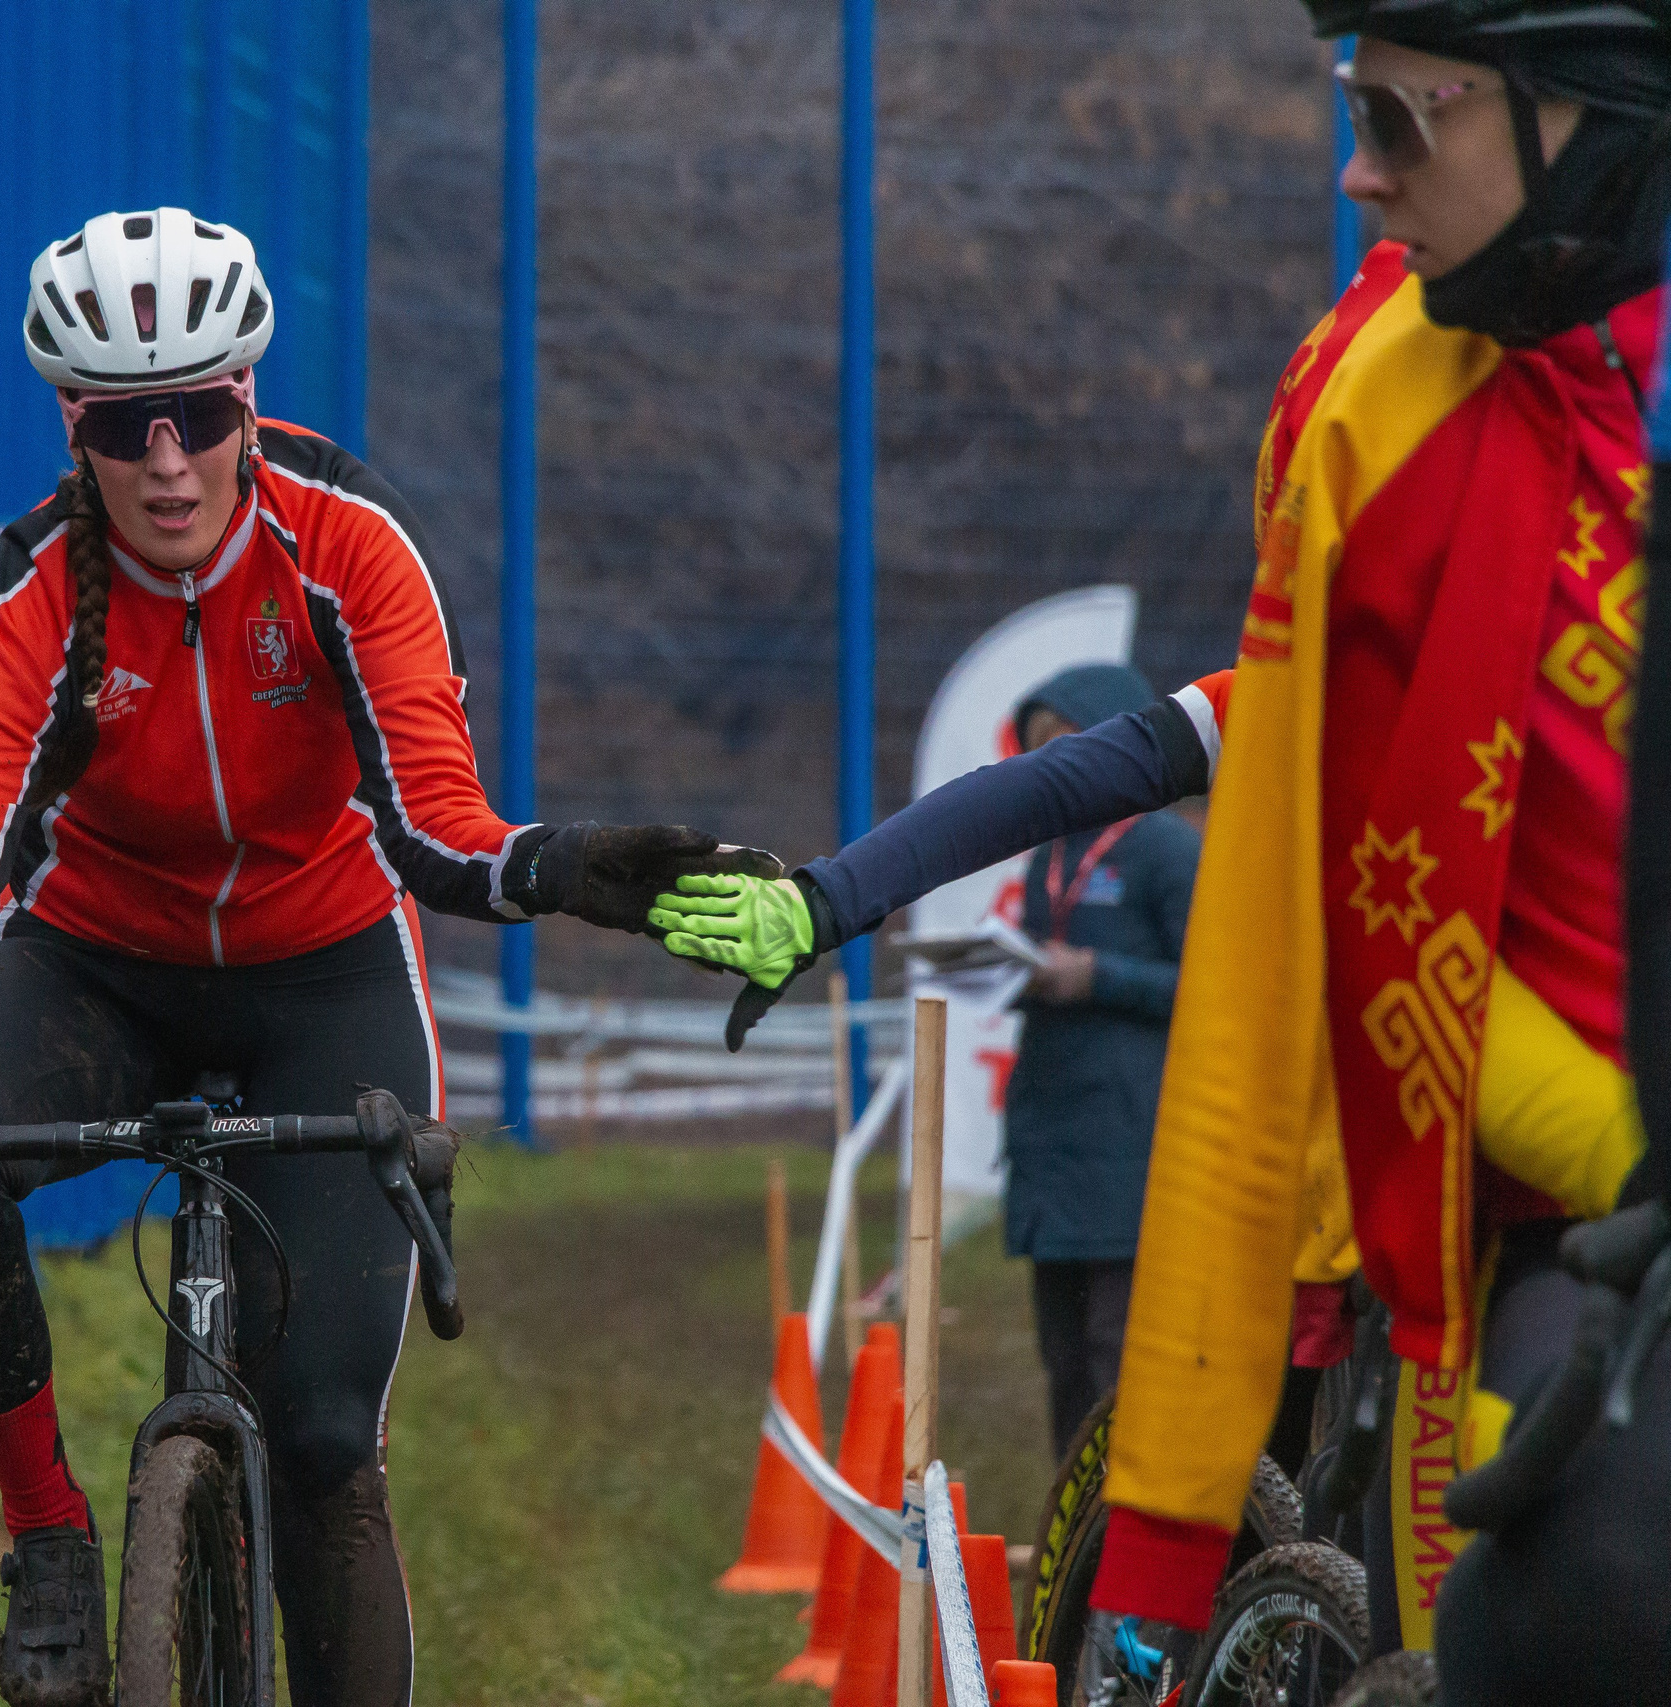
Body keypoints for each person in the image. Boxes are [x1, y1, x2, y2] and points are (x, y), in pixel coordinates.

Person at [653, 2, 1665, 1690]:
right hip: (1414, 1176)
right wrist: (831, 895)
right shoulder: (1366, 518)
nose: (1363, 177)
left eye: (1402, 126)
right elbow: (1084, 779)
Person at [0, 207, 769, 1707]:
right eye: (127, 425)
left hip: (323, 963)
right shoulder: (34, 596)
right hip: (101, 959)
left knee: (330, 1443)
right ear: (75, 428)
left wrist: (577, 868)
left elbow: (434, 825)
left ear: (248, 406)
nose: (168, 463)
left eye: (202, 414)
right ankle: (50, 1538)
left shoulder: (349, 542)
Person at [1000, 665, 1202, 1461]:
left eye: (1065, 744)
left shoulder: (1166, 849)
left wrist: (1099, 977)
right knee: (1064, 1360)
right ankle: (1068, 1552)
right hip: (1050, 1141)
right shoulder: (1043, 858)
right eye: (1037, 749)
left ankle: (1130, 1538)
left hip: (1129, 1147)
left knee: (1119, 1353)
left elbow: (1219, 987)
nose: (1052, 765)